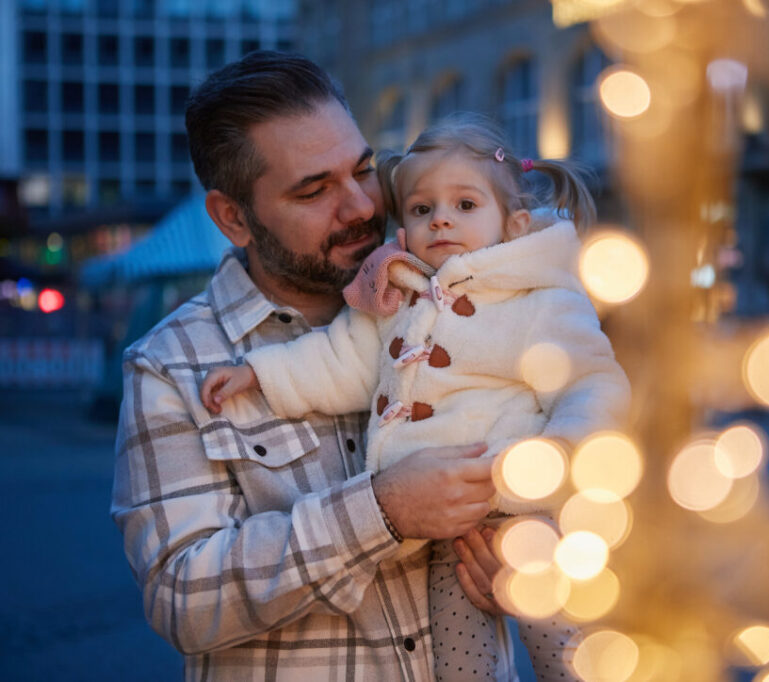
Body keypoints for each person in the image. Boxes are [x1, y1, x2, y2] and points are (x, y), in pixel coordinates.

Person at [111, 51, 505, 680]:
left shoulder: (463, 292)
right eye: (314, 189)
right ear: (232, 217)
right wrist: (382, 512)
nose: (359, 206)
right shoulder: (172, 364)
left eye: (364, 169)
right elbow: (181, 598)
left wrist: (519, 567)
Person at [199, 116, 631, 681]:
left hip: (524, 505)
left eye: (466, 205)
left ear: (514, 222)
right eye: (423, 210)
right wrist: (260, 373)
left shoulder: (540, 300)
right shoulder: (400, 293)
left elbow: (592, 383)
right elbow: (340, 360)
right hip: (436, 527)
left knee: (567, 645)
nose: (442, 219)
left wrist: (557, 456)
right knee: (459, 660)